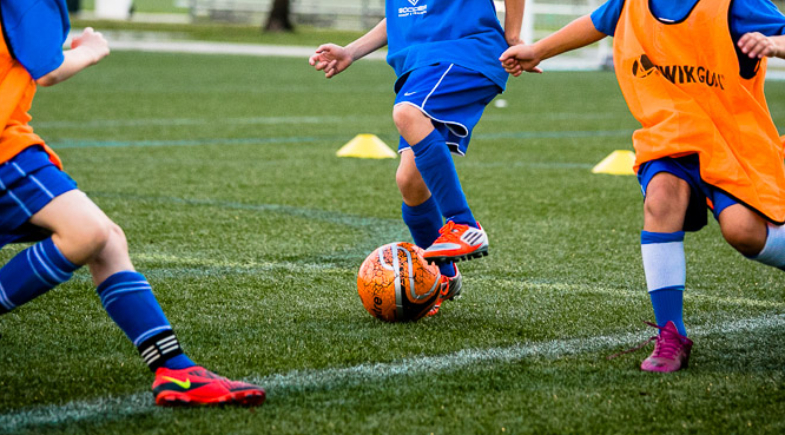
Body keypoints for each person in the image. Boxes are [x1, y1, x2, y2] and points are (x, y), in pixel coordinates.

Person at [0, 0, 265, 405]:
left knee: (106, 240)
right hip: (5, 147)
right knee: (86, 232)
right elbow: (47, 68)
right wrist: (90, 50)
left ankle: (174, 369)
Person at [500, 0, 785, 372]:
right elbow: (596, 22)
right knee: (661, 197)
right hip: (669, 139)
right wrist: (536, 50)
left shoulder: (733, 4)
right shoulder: (630, 4)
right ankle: (671, 333)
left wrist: (777, 44)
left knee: (743, 232)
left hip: (733, 144)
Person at [310, 0, 527, 315]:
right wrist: (351, 51)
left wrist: (513, 36)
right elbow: (402, 18)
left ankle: (463, 224)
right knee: (410, 181)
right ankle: (443, 276)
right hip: (421, 66)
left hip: (462, 52)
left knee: (408, 113)